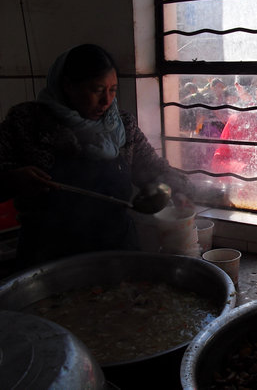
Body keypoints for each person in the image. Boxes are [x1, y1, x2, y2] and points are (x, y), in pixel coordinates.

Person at [0, 44, 194, 270]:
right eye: (97, 90)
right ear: (68, 86)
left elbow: (152, 169)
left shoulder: (123, 125)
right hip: (48, 256)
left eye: (113, 90)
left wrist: (178, 188)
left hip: (117, 249)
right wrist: (12, 179)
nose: (106, 101)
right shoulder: (26, 122)